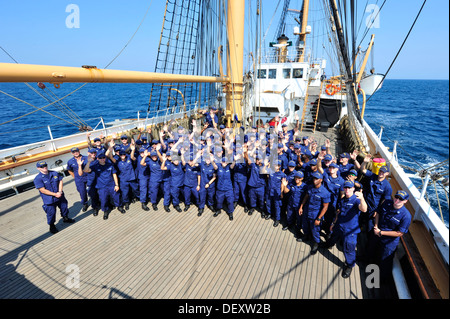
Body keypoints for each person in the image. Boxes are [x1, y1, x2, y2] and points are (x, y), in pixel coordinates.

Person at [323, 180, 367, 278]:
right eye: (346, 188)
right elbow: (339, 212)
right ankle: (328, 245)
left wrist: (362, 198)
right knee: (333, 237)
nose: (347, 190)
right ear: (343, 188)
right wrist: (334, 223)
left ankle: (349, 265)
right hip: (339, 225)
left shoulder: (356, 200)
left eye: (349, 188)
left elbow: (364, 209)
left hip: (350, 230)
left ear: (353, 189)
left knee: (349, 249)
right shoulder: (343, 200)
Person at [367, 190, 412, 280]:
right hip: (377, 231)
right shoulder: (387, 202)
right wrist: (376, 226)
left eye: (401, 199)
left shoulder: (406, 216)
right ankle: (366, 262)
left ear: (405, 201)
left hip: (389, 241)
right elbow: (378, 213)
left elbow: (400, 233)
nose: (397, 200)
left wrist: (381, 232)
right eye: (396, 197)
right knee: (370, 248)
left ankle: (382, 279)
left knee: (385, 261)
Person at [34, 161, 74, 234]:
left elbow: (60, 181)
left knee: (64, 207)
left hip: (60, 195)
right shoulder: (38, 178)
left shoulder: (54, 173)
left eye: (45, 165)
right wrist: (55, 194)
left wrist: (60, 191)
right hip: (49, 199)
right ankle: (52, 226)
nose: (44, 167)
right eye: (42, 166)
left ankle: (65, 218)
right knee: (51, 213)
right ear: (38, 168)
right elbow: (42, 190)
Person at [84, 152, 125, 220]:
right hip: (102, 187)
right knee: (103, 200)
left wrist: (116, 185)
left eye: (103, 158)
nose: (102, 159)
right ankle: (105, 211)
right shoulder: (95, 166)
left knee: (116, 197)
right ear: (97, 159)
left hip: (111, 185)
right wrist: (88, 162)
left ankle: (119, 206)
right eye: (100, 158)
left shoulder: (110, 165)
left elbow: (114, 175)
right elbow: (86, 170)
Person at [298, 171, 331, 255]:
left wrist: (319, 218)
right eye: (314, 178)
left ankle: (316, 243)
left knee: (315, 230)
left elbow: (325, 207)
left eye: (317, 179)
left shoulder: (325, 192)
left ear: (321, 180)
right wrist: (301, 206)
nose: (314, 180)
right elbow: (306, 196)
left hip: (315, 214)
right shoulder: (310, 187)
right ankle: (306, 236)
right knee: (305, 226)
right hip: (306, 211)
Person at [360, 154, 393, 231]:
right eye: (381, 171)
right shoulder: (372, 176)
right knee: (360, 217)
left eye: (383, 172)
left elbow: (385, 200)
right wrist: (364, 162)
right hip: (365, 202)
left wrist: (377, 211)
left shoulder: (387, 186)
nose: (381, 173)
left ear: (387, 174)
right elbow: (363, 170)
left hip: (373, 208)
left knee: (370, 226)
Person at [264, 159, 287, 227]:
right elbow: (264, 171)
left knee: (277, 206)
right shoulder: (270, 171)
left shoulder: (282, 174)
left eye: (277, 165)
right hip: (269, 190)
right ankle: (269, 213)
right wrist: (265, 166)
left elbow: (282, 184)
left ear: (279, 166)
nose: (276, 166)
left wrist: (282, 192)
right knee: (268, 203)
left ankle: (277, 219)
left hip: (277, 192)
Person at [212, 156, 236, 220]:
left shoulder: (229, 167)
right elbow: (215, 166)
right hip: (220, 189)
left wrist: (234, 160)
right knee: (219, 201)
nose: (224, 163)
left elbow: (232, 166)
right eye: (223, 162)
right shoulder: (218, 167)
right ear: (221, 162)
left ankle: (230, 212)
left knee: (230, 201)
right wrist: (212, 161)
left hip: (228, 189)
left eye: (226, 162)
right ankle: (218, 210)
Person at [66, 147, 89, 212]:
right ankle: (85, 204)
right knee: (82, 192)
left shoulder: (86, 158)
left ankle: (96, 201)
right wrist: (74, 176)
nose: (75, 153)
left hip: (88, 177)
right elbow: (69, 170)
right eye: (74, 152)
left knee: (92, 190)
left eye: (77, 151)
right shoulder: (70, 161)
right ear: (72, 153)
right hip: (79, 179)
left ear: (79, 151)